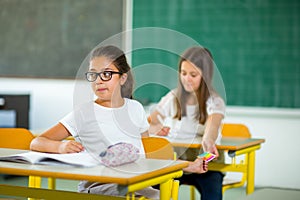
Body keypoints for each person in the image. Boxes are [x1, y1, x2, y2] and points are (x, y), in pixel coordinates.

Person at [30, 45, 161, 198]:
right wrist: (61, 146)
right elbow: (37, 142)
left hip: (135, 182)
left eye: (106, 74)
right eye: (93, 74)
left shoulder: (136, 108)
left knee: (159, 195)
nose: (98, 81)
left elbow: (146, 152)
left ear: (123, 78)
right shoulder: (84, 112)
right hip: (98, 186)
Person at [148, 46, 225, 200]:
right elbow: (153, 119)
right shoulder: (173, 96)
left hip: (207, 167)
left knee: (212, 195)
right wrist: (156, 127)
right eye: (183, 73)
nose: (187, 79)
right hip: (179, 163)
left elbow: (213, 124)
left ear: (205, 76)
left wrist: (208, 140)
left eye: (193, 75)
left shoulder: (215, 101)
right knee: (151, 188)